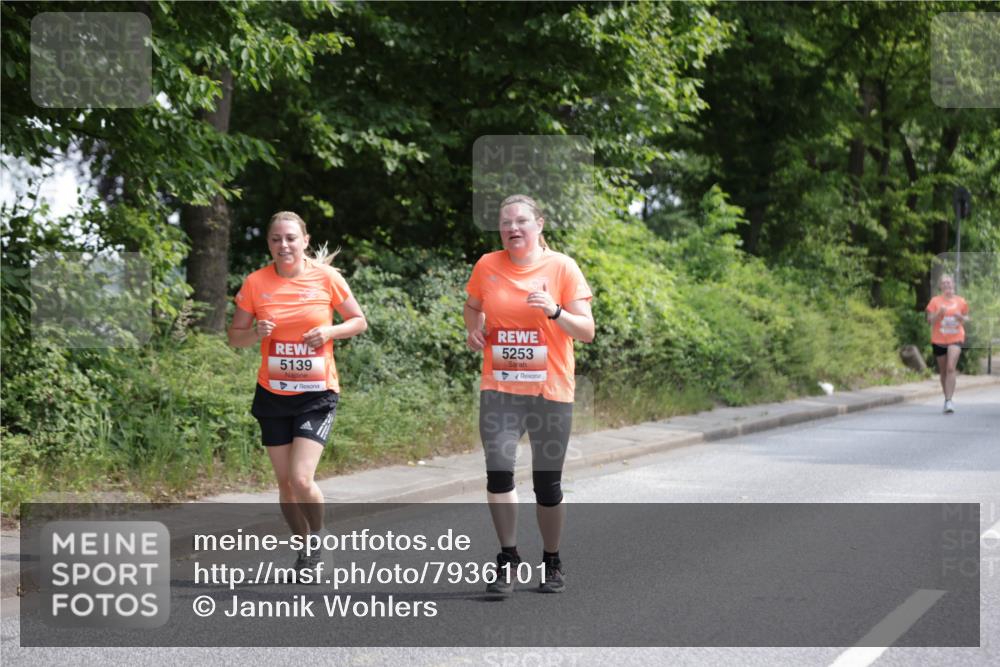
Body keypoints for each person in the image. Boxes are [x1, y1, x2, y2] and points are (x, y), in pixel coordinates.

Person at [464, 194, 594, 595]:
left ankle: (551, 560)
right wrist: (474, 328)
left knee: (547, 484)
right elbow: (473, 306)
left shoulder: (562, 267)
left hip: (549, 391)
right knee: (499, 473)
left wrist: (555, 311)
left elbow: (586, 331)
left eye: (521, 221)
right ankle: (508, 557)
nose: (512, 229)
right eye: (505, 223)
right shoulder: (487, 265)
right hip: (500, 389)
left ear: (540, 224)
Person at [228, 211, 367, 572]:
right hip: (272, 393)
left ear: (305, 240)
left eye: (291, 238)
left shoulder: (326, 278)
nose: (283, 245)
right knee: (286, 485)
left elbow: (358, 321)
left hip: (316, 393)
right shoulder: (256, 283)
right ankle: (306, 552)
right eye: (276, 239)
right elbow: (234, 337)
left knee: (302, 478)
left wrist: (330, 332)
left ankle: (320, 541)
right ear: (269, 244)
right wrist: (255, 333)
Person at [925, 274, 969, 414]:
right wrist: (939, 313)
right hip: (939, 339)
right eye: (944, 283)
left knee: (951, 367)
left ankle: (949, 400)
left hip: (956, 337)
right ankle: (946, 398)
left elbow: (967, 318)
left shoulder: (961, 301)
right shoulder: (935, 301)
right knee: (943, 371)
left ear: (953, 285)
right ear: (941, 287)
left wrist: (961, 317)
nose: (947, 285)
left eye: (949, 282)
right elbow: (929, 321)